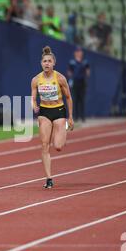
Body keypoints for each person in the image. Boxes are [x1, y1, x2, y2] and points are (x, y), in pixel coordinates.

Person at [31, 46, 74, 189]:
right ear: (41, 63)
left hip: (59, 110)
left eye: (49, 61)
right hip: (44, 112)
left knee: (58, 146)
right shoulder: (36, 80)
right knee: (44, 145)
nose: (47, 63)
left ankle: (62, 129)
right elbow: (32, 97)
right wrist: (34, 105)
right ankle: (49, 178)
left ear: (54, 63)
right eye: (45, 61)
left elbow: (68, 97)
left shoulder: (60, 78)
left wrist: (70, 117)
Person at [67, 47, 90, 123]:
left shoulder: (85, 62)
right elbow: (69, 72)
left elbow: (88, 71)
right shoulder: (72, 62)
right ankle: (76, 117)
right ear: (75, 53)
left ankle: (82, 117)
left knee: (82, 100)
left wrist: (86, 74)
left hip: (82, 82)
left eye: (80, 52)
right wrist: (71, 78)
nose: (79, 53)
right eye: (77, 52)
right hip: (75, 82)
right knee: (75, 100)